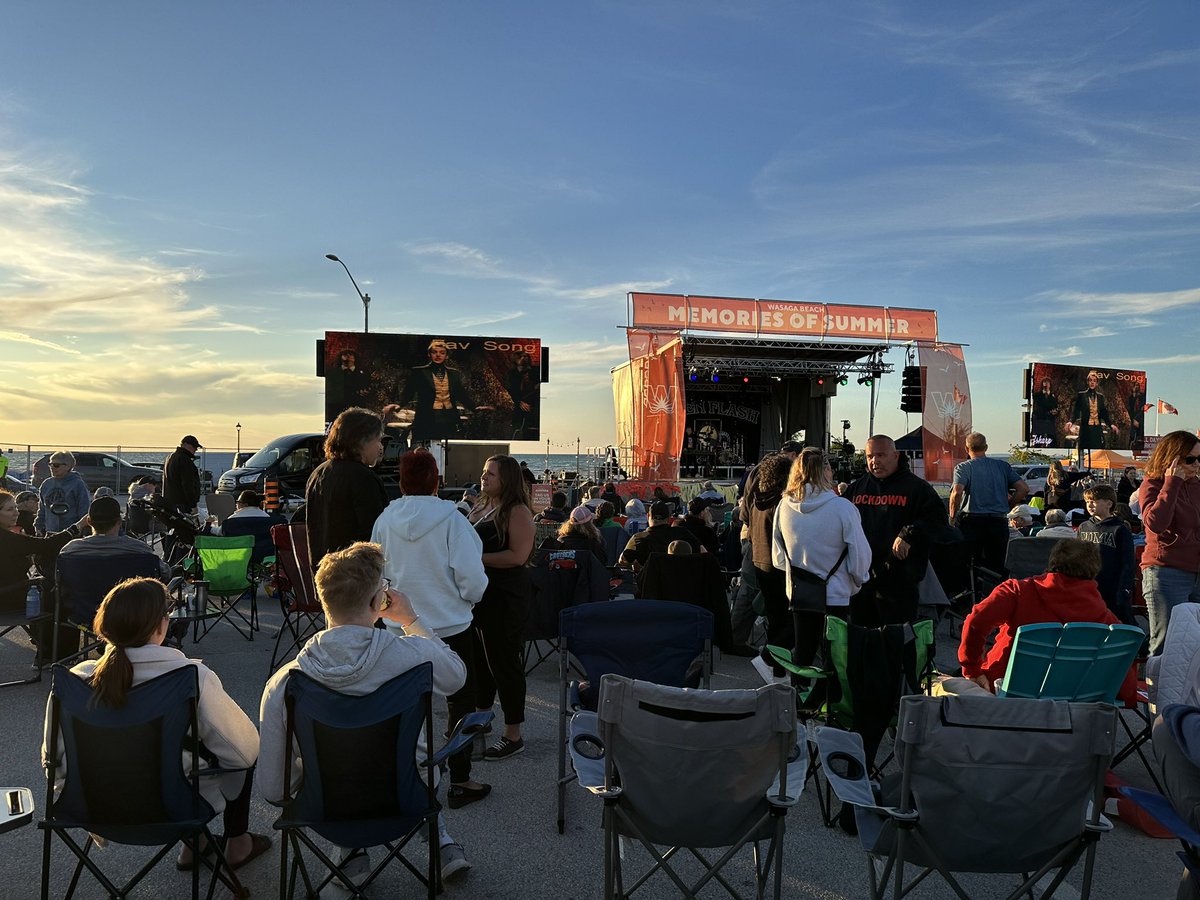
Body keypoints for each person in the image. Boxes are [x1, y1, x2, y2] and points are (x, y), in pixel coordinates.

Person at [258, 542, 474, 883]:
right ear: (379, 602)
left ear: (322, 600)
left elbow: (273, 789)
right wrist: (412, 620)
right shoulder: (412, 656)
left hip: (326, 807)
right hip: (407, 796)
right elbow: (457, 678)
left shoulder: (284, 683)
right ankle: (439, 839)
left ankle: (351, 851)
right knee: (418, 753)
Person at [44, 577, 269, 870]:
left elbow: (52, 761)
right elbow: (246, 750)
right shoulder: (190, 678)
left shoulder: (73, 682)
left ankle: (195, 844)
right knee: (228, 746)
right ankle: (236, 843)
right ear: (161, 625)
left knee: (189, 755)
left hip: (93, 808)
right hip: (175, 809)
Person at [370, 449, 491, 810]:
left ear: (402, 481)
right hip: (451, 623)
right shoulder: (453, 520)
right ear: (436, 481)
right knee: (461, 701)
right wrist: (468, 600)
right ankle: (460, 778)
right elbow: (471, 576)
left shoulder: (385, 519)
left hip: (399, 625)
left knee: (405, 701)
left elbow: (376, 568)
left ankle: (408, 777)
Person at [958, 539, 1136, 703]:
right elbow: (1123, 677)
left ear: (1052, 561)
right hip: (1070, 701)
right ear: (1095, 569)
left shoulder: (1018, 591)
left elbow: (975, 622)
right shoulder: (1107, 620)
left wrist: (972, 669)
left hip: (1004, 691)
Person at [771, 448, 871, 679]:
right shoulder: (842, 508)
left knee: (803, 652)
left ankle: (798, 703)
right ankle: (830, 705)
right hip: (836, 591)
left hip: (800, 591)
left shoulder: (783, 506)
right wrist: (857, 579)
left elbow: (778, 556)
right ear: (825, 470)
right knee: (835, 656)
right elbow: (860, 554)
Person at [467, 455, 534, 761]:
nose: (484, 477)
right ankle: (482, 718)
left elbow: (518, 556)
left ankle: (513, 734)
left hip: (506, 595)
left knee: (504, 662)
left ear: (505, 478)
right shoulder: (481, 506)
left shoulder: (518, 511)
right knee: (481, 661)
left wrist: (477, 560)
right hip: (480, 594)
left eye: (490, 474)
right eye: (483, 472)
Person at [843, 435, 948, 626]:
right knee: (863, 640)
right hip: (862, 581)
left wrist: (909, 534)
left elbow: (938, 520)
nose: (875, 461)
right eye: (870, 456)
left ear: (896, 455)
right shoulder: (857, 489)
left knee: (897, 643)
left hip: (900, 582)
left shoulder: (916, 488)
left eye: (881, 455)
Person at [1138, 430, 1200, 656]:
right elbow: (1156, 523)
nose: (1196, 465)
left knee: (1195, 648)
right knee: (1167, 644)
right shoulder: (1153, 484)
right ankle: (1158, 692)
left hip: (1196, 571)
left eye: (1199, 459)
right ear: (1172, 458)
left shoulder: (1196, 486)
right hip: (1167, 571)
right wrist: (1171, 482)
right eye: (1190, 459)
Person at [304, 407, 389, 569]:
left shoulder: (318, 473)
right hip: (356, 576)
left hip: (324, 573)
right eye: (378, 440)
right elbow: (376, 532)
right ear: (361, 441)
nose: (380, 447)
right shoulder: (363, 477)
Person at [740, 453, 797, 669]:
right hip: (780, 566)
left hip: (761, 562)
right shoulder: (782, 504)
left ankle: (775, 665)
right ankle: (772, 661)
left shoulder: (757, 501)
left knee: (775, 617)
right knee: (788, 620)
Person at [949, 432, 1028, 575]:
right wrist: (1008, 504)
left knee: (970, 565)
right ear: (986, 447)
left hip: (972, 523)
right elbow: (1023, 489)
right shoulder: (1002, 466)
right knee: (997, 565)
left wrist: (952, 517)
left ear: (967, 449)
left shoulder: (963, 468)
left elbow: (957, 492)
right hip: (998, 522)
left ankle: (973, 593)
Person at [383, 339, 488, 442]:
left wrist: (474, 408)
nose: (438, 355)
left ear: (446, 356)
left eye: (442, 353)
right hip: (427, 417)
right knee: (425, 445)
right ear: (429, 354)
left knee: (449, 446)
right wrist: (399, 405)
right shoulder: (419, 372)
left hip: (449, 417)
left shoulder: (454, 374)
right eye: (434, 352)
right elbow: (409, 392)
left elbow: (461, 394)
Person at [58, 496, 171, 580]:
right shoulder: (141, 550)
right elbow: (165, 573)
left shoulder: (70, 551)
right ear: (119, 522)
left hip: (83, 609)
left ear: (89, 522)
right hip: (131, 609)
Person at [1076, 483, 1136, 626]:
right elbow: (1076, 556)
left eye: (1094, 501)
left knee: (1119, 622)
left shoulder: (1119, 529)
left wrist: (1124, 588)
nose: (1089, 505)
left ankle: (1139, 647)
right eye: (1087, 502)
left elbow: (1128, 562)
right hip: (1088, 585)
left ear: (1109, 503)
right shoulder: (1084, 527)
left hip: (1112, 586)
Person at [619, 501, 701, 570]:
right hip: (683, 584)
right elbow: (702, 552)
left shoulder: (638, 538)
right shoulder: (683, 533)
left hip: (651, 586)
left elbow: (623, 561)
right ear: (668, 518)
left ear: (648, 516)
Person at [36, 451, 91, 535]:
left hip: (71, 533)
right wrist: (39, 526)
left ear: (68, 466)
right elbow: (42, 509)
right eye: (50, 464)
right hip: (50, 532)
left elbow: (84, 510)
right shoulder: (46, 484)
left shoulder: (77, 484)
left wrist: (82, 530)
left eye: (56, 465)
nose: (52, 467)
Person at [1069, 370, 1118, 452]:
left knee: (1098, 451)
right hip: (1086, 429)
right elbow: (1076, 411)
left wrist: (1111, 424)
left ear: (1097, 383)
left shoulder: (1100, 397)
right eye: (1090, 380)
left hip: (1096, 429)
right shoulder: (1081, 395)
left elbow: (1104, 413)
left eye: (1094, 381)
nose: (1092, 382)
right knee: (1083, 449)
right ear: (1088, 382)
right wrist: (1071, 421)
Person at [162, 436, 203, 516]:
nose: (195, 450)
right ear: (186, 445)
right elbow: (187, 484)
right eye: (194, 447)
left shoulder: (170, 457)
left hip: (170, 502)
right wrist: (193, 505)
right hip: (182, 504)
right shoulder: (184, 460)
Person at [505, 352, 539, 440]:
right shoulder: (511, 373)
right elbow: (510, 390)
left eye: (526, 357)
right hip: (516, 403)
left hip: (531, 402)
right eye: (521, 357)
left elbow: (536, 388)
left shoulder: (534, 371)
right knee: (516, 427)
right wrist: (519, 402)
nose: (523, 358)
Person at [1030, 377, 1059, 445]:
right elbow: (1037, 408)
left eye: (1048, 383)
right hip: (1040, 420)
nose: (1046, 384)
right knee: (1038, 441)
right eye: (1044, 382)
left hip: (1050, 421)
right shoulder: (1037, 395)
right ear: (1042, 384)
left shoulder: (1053, 396)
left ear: (1050, 385)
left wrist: (1055, 412)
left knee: (1052, 440)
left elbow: (1056, 408)